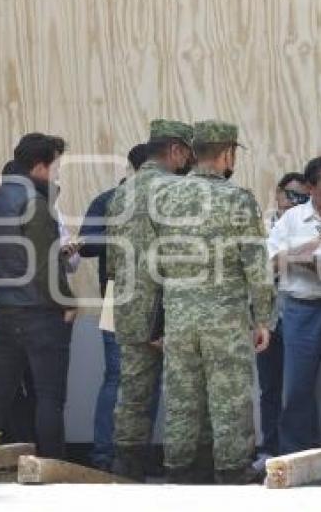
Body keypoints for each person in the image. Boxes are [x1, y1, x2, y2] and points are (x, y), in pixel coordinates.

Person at [153, 120, 273, 484]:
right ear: (227, 153)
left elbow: (156, 262)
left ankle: (180, 472)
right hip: (224, 318)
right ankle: (232, 472)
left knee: (182, 398)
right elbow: (257, 266)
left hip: (178, 316)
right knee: (230, 397)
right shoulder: (237, 200)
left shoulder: (165, 197)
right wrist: (264, 318)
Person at [0, 133, 75, 458]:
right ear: (39, 166)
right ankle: (51, 468)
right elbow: (46, 264)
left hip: (5, 309)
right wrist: (67, 301)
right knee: (49, 396)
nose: (56, 175)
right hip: (41, 312)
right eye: (54, 167)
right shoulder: (36, 202)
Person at [106, 120, 195, 481]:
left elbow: (112, 262)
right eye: (188, 152)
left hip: (128, 309)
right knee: (182, 395)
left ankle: (126, 470)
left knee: (132, 396)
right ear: (175, 151)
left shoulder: (121, 193)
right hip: (170, 310)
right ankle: (181, 473)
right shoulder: (178, 190)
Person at [267, 156, 321, 454]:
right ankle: (298, 459)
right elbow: (273, 263)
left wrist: (299, 257)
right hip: (300, 311)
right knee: (297, 391)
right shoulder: (291, 219)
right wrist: (316, 255)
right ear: (311, 187)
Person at [79, 142, 151, 472]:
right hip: (117, 296)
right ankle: (106, 457)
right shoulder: (108, 200)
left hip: (160, 298)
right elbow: (87, 246)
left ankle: (135, 455)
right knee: (117, 376)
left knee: (154, 379)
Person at [255, 172, 308, 468]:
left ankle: (295, 451)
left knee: (297, 387)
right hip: (265, 318)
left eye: (302, 198)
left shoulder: (305, 226)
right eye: (290, 195)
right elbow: (259, 268)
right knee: (269, 386)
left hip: (297, 315)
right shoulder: (260, 227)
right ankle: (270, 447)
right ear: (277, 193)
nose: (294, 203)